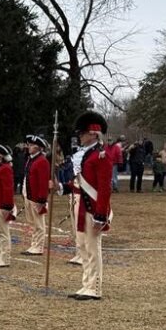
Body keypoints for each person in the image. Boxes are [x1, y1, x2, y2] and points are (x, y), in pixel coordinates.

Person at [64, 111, 113, 301]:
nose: (80, 136)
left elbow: (103, 188)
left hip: (92, 208)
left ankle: (95, 287)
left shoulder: (101, 156)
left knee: (92, 248)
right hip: (80, 205)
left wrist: (100, 215)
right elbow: (79, 182)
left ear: (93, 133)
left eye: (82, 133)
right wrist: (62, 187)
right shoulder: (86, 155)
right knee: (83, 246)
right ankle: (86, 284)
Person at [22, 134, 50, 256]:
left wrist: (41, 200)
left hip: (37, 198)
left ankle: (38, 246)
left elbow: (43, 182)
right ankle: (34, 244)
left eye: (32, 145)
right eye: (29, 144)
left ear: (39, 148)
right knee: (32, 222)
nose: (29, 147)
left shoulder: (42, 161)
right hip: (29, 195)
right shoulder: (31, 159)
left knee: (39, 223)